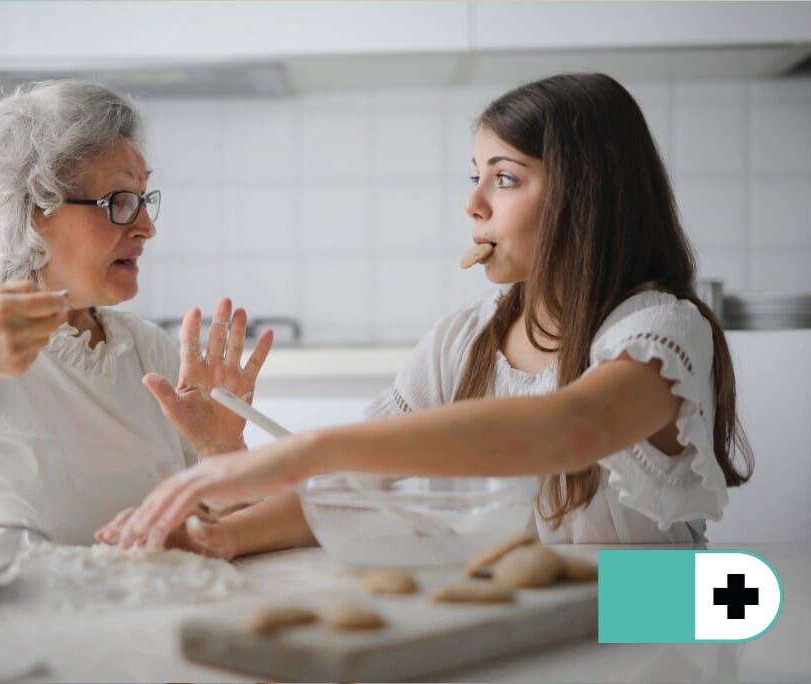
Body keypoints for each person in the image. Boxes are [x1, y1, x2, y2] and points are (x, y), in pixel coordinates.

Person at [99, 72, 754, 553]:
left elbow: (573, 427)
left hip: (665, 613)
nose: (473, 204)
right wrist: (223, 532)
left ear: (587, 196)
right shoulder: (462, 341)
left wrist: (310, 448)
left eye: (504, 177)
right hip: (536, 621)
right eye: (473, 176)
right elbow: (357, 487)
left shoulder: (661, 331)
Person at [0, 80, 272, 545]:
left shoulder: (147, 352)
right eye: (119, 202)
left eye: (144, 200)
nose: (147, 227)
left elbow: (218, 534)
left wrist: (221, 451)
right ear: (31, 210)